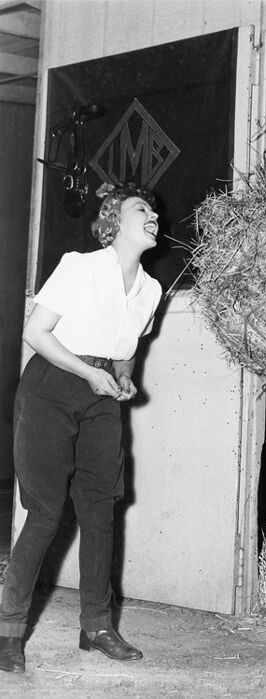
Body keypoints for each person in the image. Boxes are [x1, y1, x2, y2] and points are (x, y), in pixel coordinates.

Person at [0, 182, 163, 672]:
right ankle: (8, 631)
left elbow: (127, 350)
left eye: (154, 210)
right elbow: (36, 333)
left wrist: (123, 379)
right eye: (142, 209)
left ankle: (96, 627)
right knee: (46, 513)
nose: (154, 215)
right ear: (114, 222)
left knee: (100, 511)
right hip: (51, 388)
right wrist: (92, 373)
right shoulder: (79, 266)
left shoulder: (151, 290)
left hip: (100, 400)